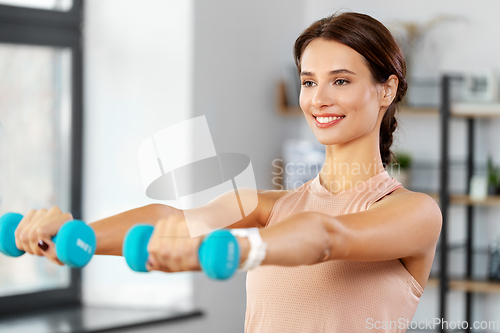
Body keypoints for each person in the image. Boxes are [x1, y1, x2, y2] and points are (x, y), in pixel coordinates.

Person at [13, 11, 441, 333]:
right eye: (309, 82)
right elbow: (172, 220)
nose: (319, 99)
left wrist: (235, 249)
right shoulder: (269, 207)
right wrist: (70, 237)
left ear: (386, 89)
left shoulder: (414, 213)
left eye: (341, 81)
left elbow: (328, 237)